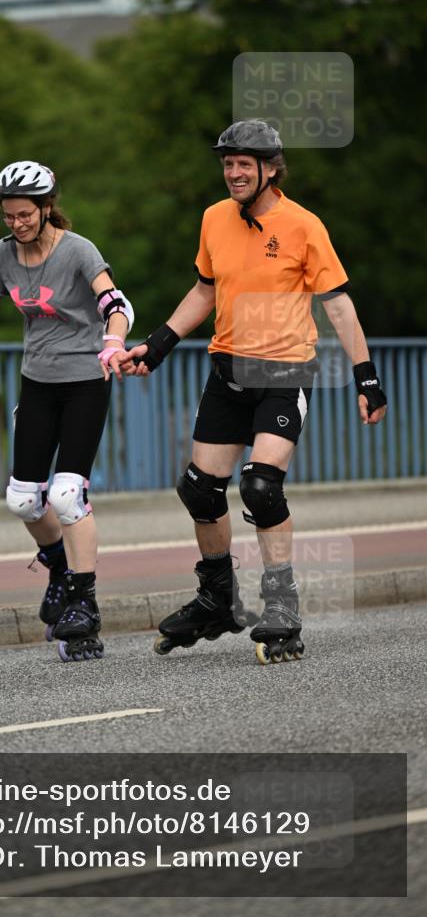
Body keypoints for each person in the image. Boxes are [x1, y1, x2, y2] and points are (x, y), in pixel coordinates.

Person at [119, 120, 387, 665]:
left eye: (244, 164)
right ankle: (217, 600)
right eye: (227, 163)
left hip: (284, 375)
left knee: (261, 488)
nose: (233, 172)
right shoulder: (214, 218)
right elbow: (204, 289)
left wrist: (367, 377)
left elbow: (338, 305)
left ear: (270, 169)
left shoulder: (303, 226)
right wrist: (158, 344)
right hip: (227, 373)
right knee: (199, 490)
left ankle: (281, 607)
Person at [0, 161, 133, 662]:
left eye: (24, 215)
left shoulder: (78, 250)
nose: (16, 224)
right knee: (23, 501)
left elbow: (116, 302)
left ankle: (85, 602)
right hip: (37, 383)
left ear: (45, 209)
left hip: (86, 381)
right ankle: (60, 566)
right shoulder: (3, 256)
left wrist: (112, 341)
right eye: (7, 216)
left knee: (66, 493)